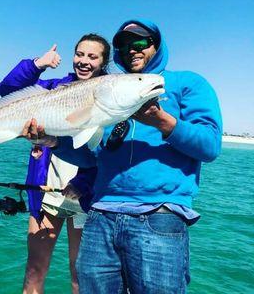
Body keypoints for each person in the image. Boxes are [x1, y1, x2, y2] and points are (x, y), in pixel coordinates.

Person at [22, 19, 223, 293]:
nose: (132, 49)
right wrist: (52, 141)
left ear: (157, 44)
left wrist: (162, 121)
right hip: (100, 214)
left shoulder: (187, 83)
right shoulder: (111, 90)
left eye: (140, 43)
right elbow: (93, 158)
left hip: (158, 213)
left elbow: (210, 146)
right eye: (123, 45)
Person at [0, 34, 110, 294]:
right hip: (47, 192)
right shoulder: (56, 87)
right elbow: (8, 91)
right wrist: (38, 64)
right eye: (79, 54)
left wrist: (83, 182)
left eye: (92, 57)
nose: (83, 61)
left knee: (79, 274)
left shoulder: (110, 95)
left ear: (104, 63)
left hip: (86, 199)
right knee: (35, 269)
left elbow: (105, 156)